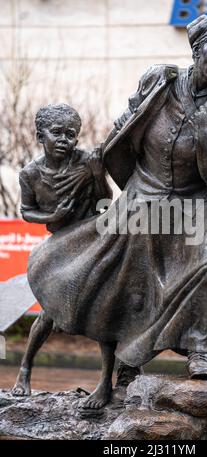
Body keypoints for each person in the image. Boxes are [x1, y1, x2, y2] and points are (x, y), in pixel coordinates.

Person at [26, 13, 207, 410]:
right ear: (198, 48)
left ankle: (199, 346)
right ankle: (128, 363)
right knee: (127, 272)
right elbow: (130, 123)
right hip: (144, 193)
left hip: (200, 200)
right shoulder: (159, 80)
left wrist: (203, 140)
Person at [12, 103, 113, 396]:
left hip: (92, 241)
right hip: (59, 248)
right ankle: (25, 369)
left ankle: (107, 381)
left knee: (105, 308)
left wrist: (97, 175)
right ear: (39, 136)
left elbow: (105, 202)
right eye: (56, 133)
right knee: (48, 315)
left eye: (71, 134)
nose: (64, 140)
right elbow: (27, 211)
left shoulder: (86, 163)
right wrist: (53, 217)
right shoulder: (29, 174)